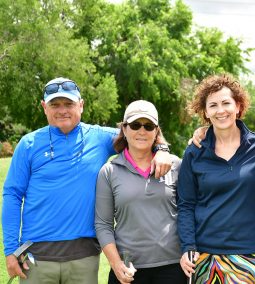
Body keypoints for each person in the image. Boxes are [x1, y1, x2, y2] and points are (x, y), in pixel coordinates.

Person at [2, 77, 171, 283]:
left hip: (84, 257)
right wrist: (11, 250)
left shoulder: (100, 137)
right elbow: (12, 195)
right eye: (55, 105)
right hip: (37, 258)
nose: (62, 110)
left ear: (81, 105)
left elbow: (139, 132)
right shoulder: (28, 144)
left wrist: (162, 148)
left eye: (69, 104)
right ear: (44, 107)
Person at [178, 74, 255, 283]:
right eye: (213, 105)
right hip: (202, 253)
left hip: (246, 252)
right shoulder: (195, 151)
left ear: (238, 106)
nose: (221, 110)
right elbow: (185, 204)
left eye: (226, 103)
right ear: (205, 112)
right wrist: (187, 247)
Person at [95, 100, 186, 284]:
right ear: (125, 129)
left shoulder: (175, 165)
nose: (142, 131)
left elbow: (189, 211)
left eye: (149, 126)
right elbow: (103, 225)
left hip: (173, 268)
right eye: (135, 125)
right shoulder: (109, 171)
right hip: (129, 269)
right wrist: (116, 264)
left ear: (156, 131)